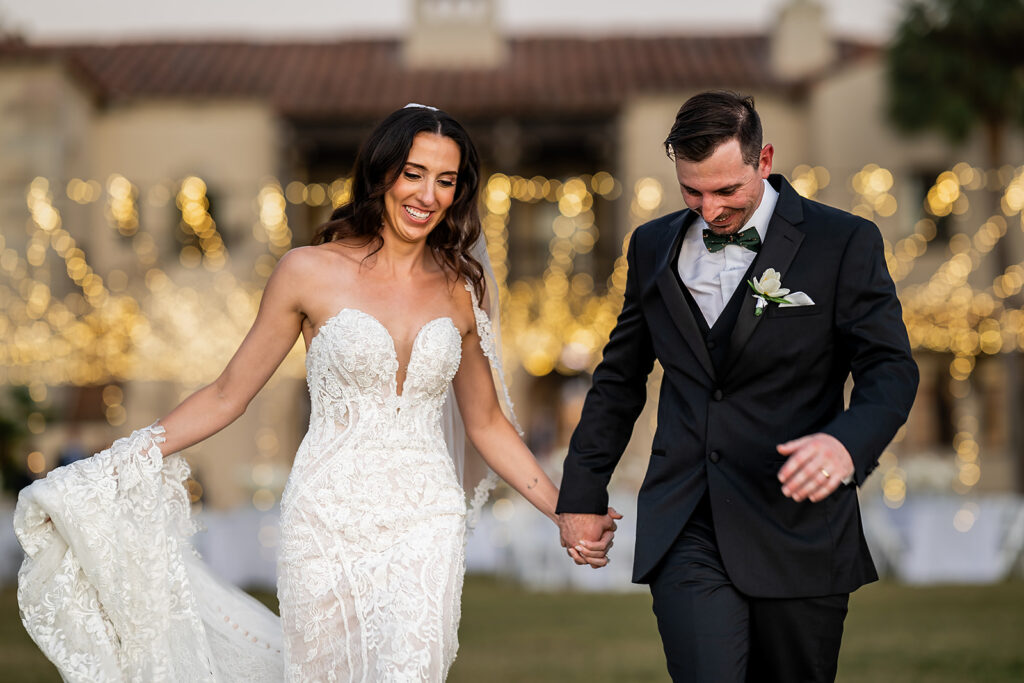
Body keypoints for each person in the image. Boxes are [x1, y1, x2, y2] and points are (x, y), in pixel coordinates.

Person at [15, 104, 618, 682]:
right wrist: (130, 456)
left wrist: (567, 511)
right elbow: (229, 392)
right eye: (413, 174)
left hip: (425, 518)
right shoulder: (307, 271)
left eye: (445, 180)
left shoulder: (464, 287)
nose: (426, 195)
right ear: (382, 174)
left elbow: (486, 424)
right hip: (325, 515)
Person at [556, 91, 918, 682]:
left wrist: (847, 445)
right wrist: (579, 493)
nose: (709, 210)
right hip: (686, 520)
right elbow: (620, 378)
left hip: (797, 524)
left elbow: (891, 369)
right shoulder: (651, 246)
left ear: (764, 159)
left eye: (727, 191)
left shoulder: (843, 242)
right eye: (692, 191)